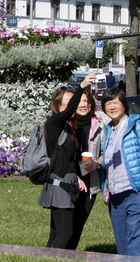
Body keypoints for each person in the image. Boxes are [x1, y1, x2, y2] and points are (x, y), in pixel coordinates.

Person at [39, 72, 97, 249]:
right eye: (71, 101)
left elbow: (66, 160)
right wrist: (82, 86)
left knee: (57, 232)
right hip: (59, 184)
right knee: (65, 233)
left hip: (65, 181)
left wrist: (77, 176)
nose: (77, 104)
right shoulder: (55, 123)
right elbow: (70, 110)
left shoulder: (68, 128)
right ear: (58, 106)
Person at [101, 88, 140, 256]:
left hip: (137, 190)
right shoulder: (109, 129)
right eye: (108, 103)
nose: (112, 107)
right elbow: (110, 159)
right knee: (122, 240)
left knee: (136, 237)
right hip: (116, 193)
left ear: (124, 105)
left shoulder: (136, 124)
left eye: (115, 102)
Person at [67, 86, 110, 249]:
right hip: (68, 180)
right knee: (64, 226)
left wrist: (97, 163)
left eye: (86, 101)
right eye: (79, 101)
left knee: (78, 225)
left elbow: (107, 152)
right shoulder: (66, 124)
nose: (83, 104)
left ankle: (69, 255)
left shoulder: (99, 126)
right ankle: (57, 254)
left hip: (89, 183)